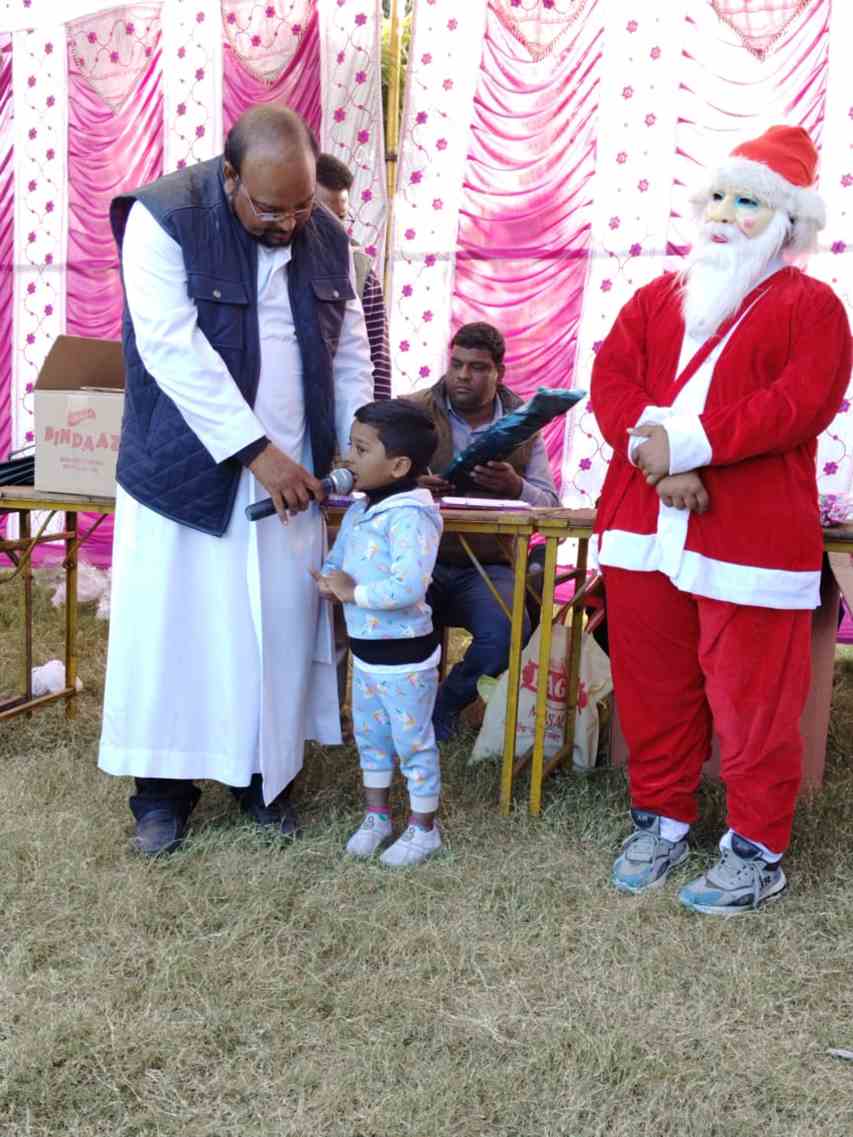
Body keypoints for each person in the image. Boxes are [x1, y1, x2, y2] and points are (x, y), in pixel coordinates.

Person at [98, 105, 374, 856]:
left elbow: (349, 353)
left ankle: (264, 780)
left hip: (294, 478)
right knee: (176, 633)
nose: (289, 224)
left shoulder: (325, 235)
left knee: (274, 634)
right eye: (271, 209)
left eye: (301, 207)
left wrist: (359, 446)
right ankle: (162, 795)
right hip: (184, 473)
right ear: (229, 178)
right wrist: (257, 453)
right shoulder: (163, 218)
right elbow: (171, 347)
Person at [591, 125, 851, 913]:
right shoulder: (653, 298)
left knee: (753, 702)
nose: (724, 215)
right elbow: (611, 383)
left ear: (786, 222)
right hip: (643, 525)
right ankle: (660, 820)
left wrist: (688, 445)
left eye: (747, 202)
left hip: (748, 537)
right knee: (653, 687)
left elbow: (797, 404)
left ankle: (755, 849)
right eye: (718, 198)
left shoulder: (813, 307)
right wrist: (661, 462)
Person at [408, 321, 561, 742]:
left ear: (499, 373)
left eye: (476, 368)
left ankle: (444, 706)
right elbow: (367, 476)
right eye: (456, 364)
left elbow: (550, 503)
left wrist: (515, 487)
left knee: (508, 633)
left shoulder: (524, 422)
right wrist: (410, 485)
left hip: (488, 565)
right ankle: (402, 710)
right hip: (418, 557)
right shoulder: (413, 411)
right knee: (393, 626)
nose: (462, 375)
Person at [313, 399, 444, 866]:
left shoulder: (411, 516)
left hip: (405, 658)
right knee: (371, 738)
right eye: (351, 445)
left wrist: (353, 593)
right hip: (367, 654)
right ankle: (377, 817)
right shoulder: (360, 509)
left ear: (399, 466)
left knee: (412, 743)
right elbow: (339, 561)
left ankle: (424, 829)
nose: (348, 457)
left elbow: (409, 586)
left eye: (361, 449)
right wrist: (329, 580)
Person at [315, 153, 391, 400]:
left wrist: (376, 418)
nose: (334, 228)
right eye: (322, 215)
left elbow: (377, 363)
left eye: (340, 218)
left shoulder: (360, 271)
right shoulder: (273, 259)